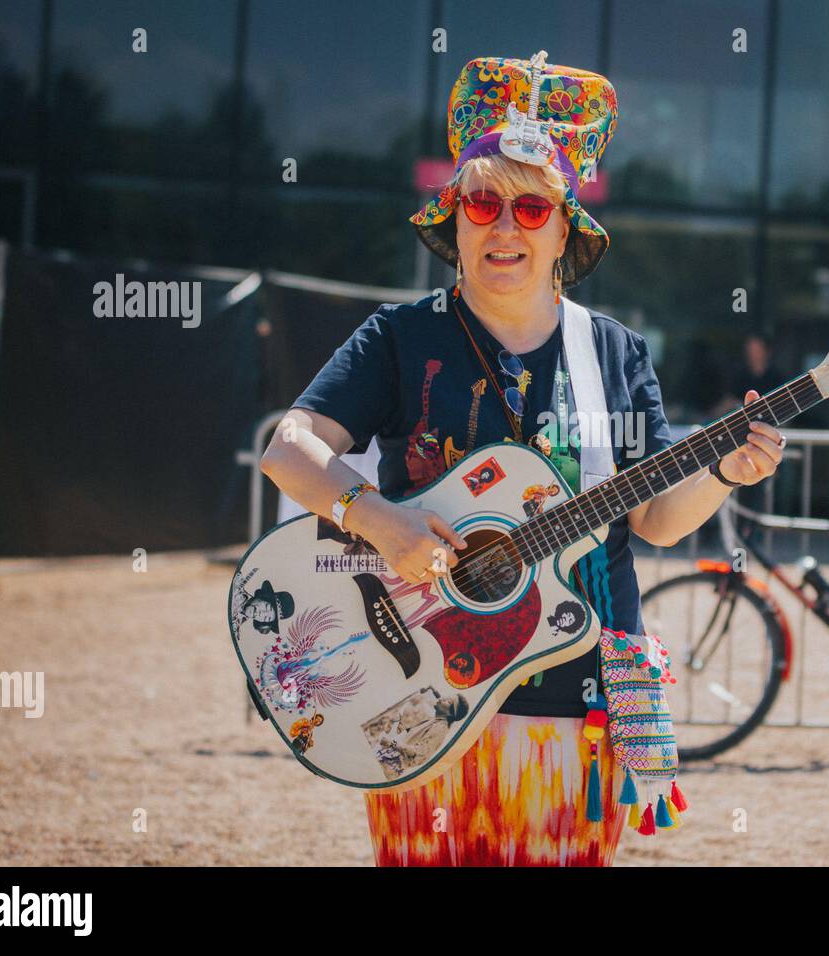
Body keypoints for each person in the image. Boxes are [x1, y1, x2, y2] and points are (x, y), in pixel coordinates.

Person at [258, 52, 785, 867]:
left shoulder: (611, 354)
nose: (505, 227)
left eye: (532, 208)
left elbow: (655, 520)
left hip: (576, 699)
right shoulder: (399, 340)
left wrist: (724, 471)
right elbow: (288, 452)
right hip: (422, 689)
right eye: (483, 202)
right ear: (455, 215)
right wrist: (382, 522)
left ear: (566, 227)